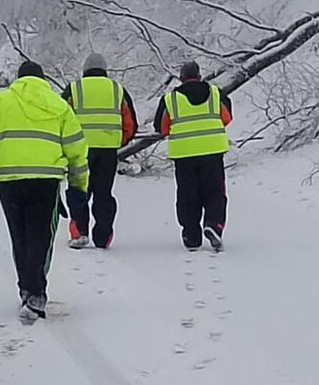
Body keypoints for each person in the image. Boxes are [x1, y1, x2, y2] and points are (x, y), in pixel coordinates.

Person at [0, 61, 90, 323]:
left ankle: (27, 287)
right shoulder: (59, 106)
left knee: (19, 236)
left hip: (9, 181)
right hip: (45, 180)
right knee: (41, 237)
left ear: (19, 79)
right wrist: (78, 186)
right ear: (42, 79)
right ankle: (35, 292)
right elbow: (77, 150)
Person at [153, 61, 232, 252]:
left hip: (184, 155)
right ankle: (213, 225)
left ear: (181, 77)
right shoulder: (216, 94)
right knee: (215, 194)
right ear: (199, 75)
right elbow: (227, 117)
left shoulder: (170, 99)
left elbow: (161, 127)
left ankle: (191, 236)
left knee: (188, 195)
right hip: (212, 153)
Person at [61, 53, 138, 249]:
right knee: (104, 194)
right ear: (105, 71)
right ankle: (103, 236)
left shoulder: (74, 89)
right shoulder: (117, 90)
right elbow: (130, 123)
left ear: (85, 71)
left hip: (79, 150)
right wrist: (118, 141)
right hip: (107, 152)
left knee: (79, 191)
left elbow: (60, 118)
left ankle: (79, 232)